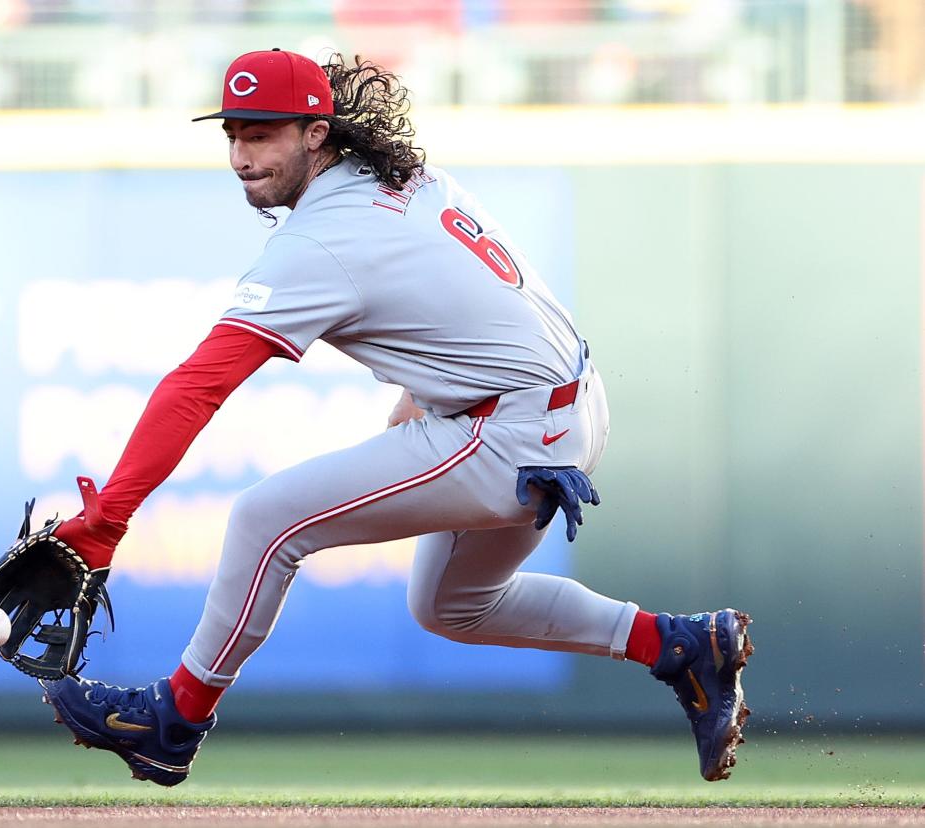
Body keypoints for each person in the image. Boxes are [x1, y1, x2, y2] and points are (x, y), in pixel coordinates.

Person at [40, 48, 753, 786]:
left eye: (264, 134)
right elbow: (462, 303)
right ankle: (678, 645)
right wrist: (427, 397)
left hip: (509, 431)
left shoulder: (319, 241)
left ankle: (174, 721)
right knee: (452, 606)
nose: (241, 155)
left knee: (266, 520)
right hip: (562, 404)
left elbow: (198, 385)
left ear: (316, 132)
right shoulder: (403, 177)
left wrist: (108, 519)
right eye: (234, 133)